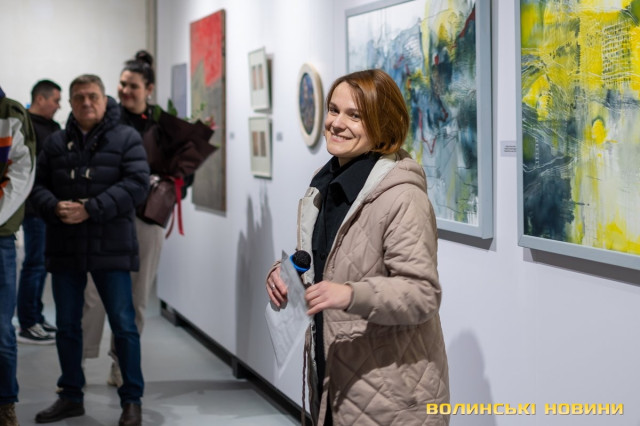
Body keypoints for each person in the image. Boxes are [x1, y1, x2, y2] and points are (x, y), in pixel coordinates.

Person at [265, 69, 450, 425]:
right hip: (334, 380)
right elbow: (327, 263)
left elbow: (422, 293)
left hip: (390, 395)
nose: (336, 123)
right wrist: (283, 274)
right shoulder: (324, 184)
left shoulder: (403, 197)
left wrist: (349, 294)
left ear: (383, 125)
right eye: (333, 110)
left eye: (355, 115)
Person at [81, 50, 214, 387]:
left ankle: (120, 363)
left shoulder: (164, 125)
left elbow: (184, 174)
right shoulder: (106, 120)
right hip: (107, 216)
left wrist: (168, 187)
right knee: (92, 293)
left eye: (133, 86)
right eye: (122, 84)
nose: (125, 91)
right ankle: (77, 363)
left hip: (145, 220)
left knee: (137, 297)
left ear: (149, 89)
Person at [30, 74, 149, 426]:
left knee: (123, 325)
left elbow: (137, 184)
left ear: (104, 98)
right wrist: (54, 206)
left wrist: (91, 208)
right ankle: (70, 396)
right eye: (79, 97)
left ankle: (132, 400)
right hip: (65, 246)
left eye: (92, 96)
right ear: (70, 102)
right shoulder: (55, 142)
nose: (86, 103)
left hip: (111, 246)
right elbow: (35, 186)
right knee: (67, 325)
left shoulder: (125, 137)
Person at [0, 86, 37, 426]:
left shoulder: (9, 113)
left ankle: (5, 404)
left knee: (1, 329)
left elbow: (21, 176)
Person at [16, 80, 62, 345]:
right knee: (34, 264)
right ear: (40, 99)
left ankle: (36, 316)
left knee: (42, 264)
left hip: (49, 206)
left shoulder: (53, 128)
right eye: (56, 100)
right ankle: (27, 323)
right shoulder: (24, 126)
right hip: (34, 208)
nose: (59, 106)